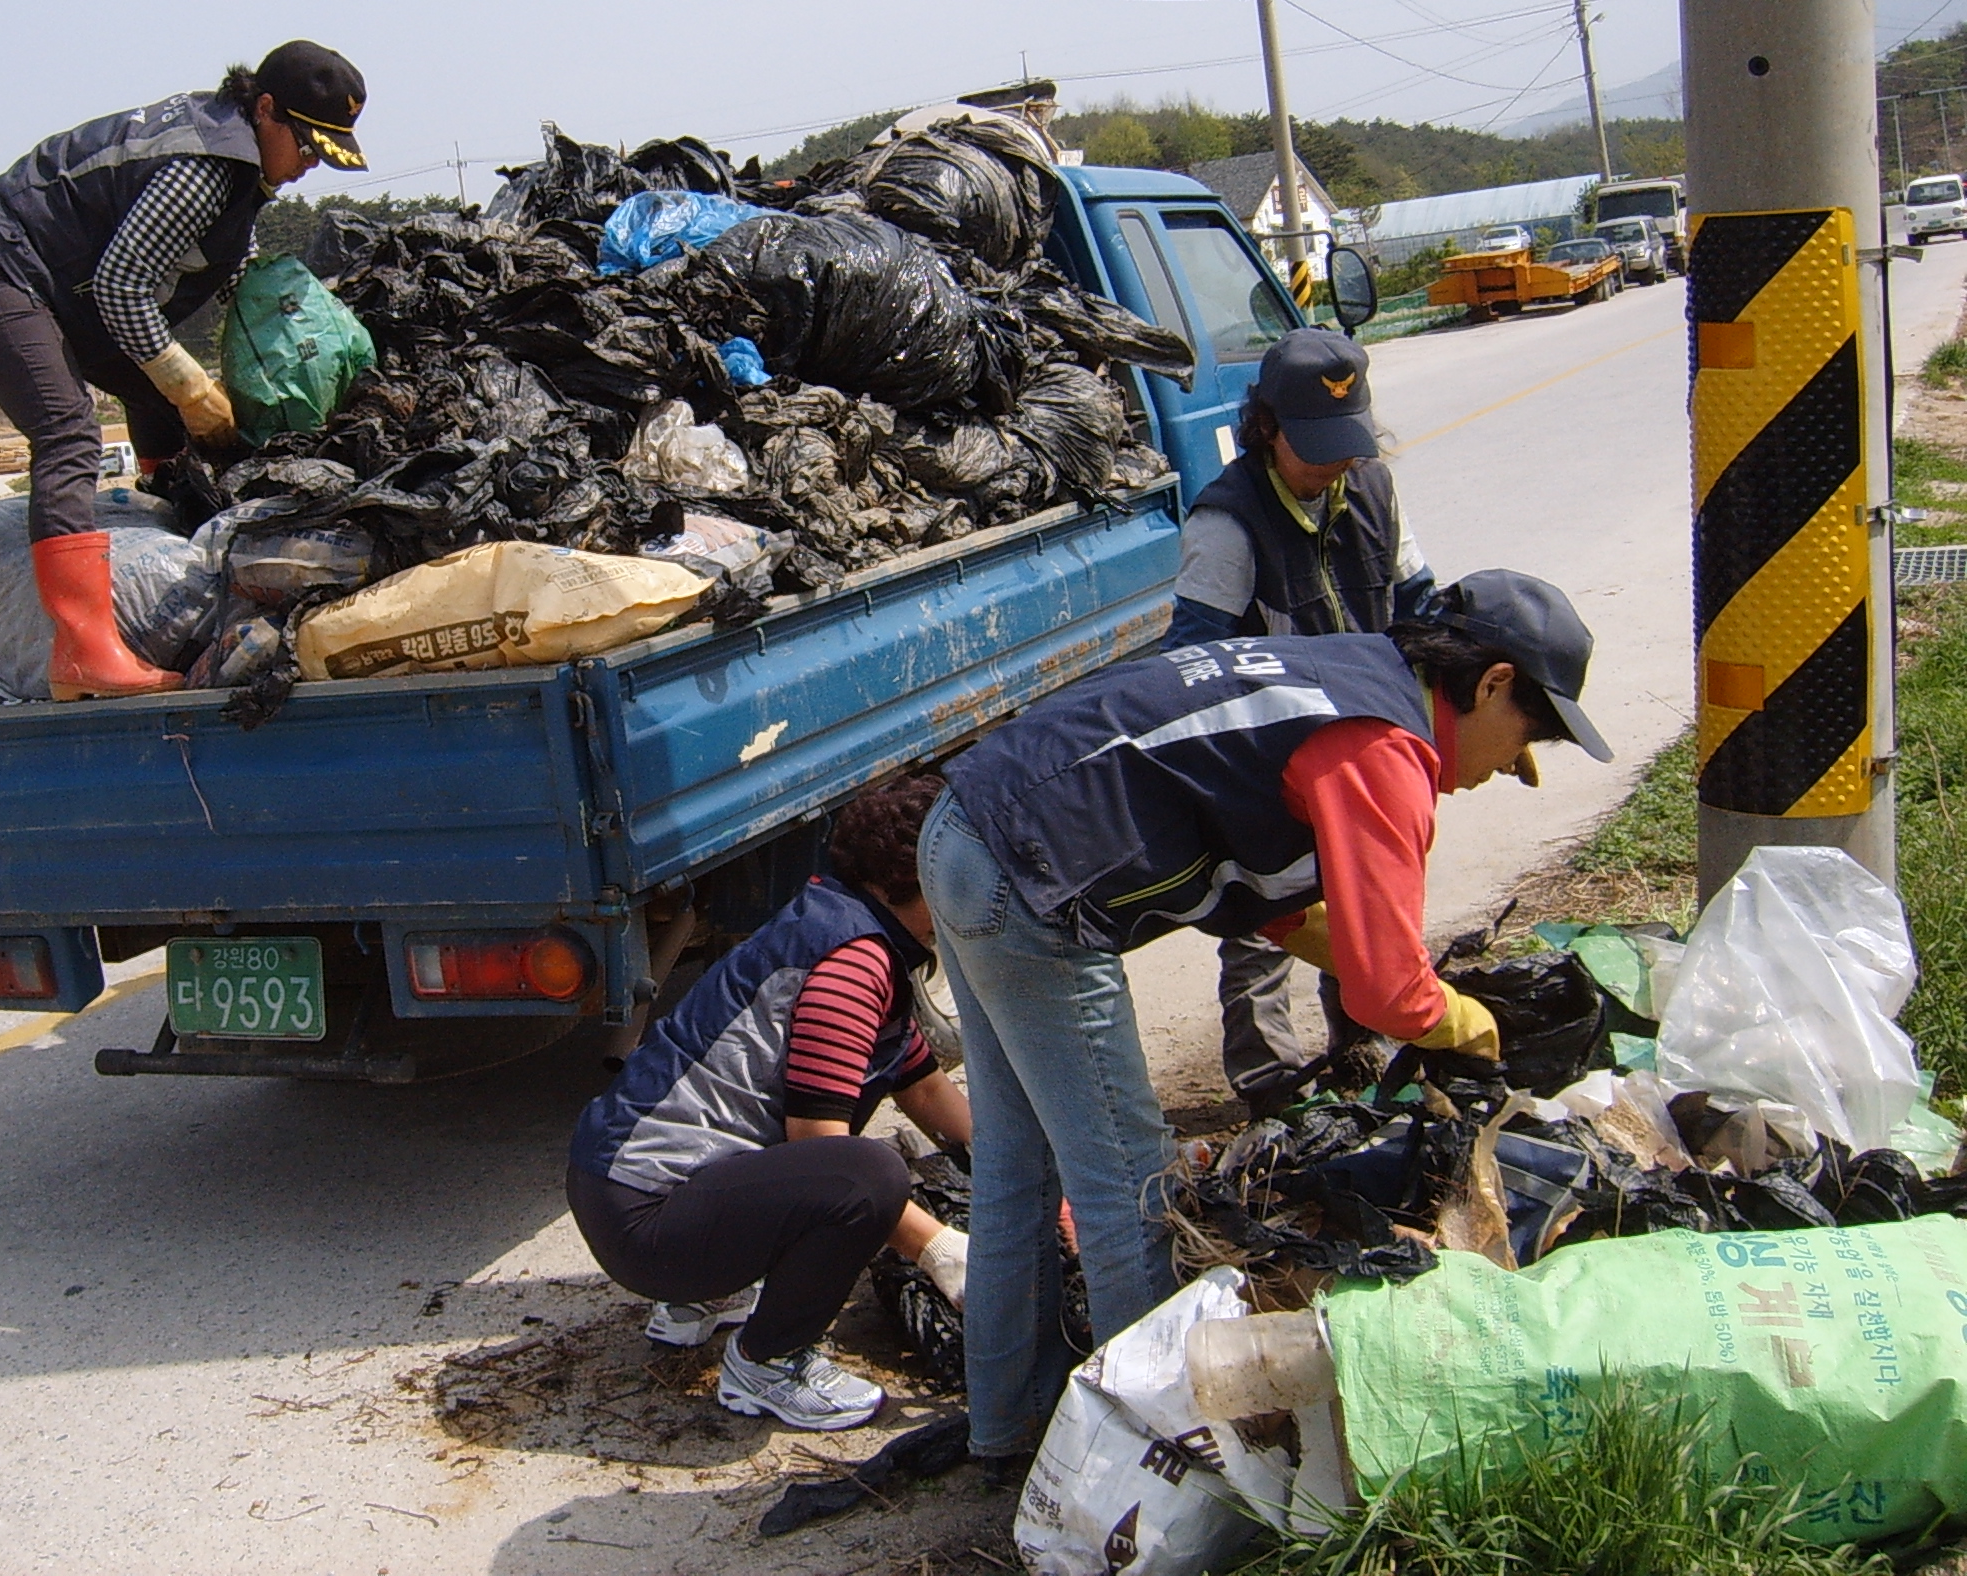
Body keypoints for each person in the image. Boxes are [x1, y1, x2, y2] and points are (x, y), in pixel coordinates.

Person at [916, 570, 1612, 1470]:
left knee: (1021, 1162)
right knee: (1131, 1185)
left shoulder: (1346, 678)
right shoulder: (1382, 745)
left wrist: (1398, 973)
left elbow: (1287, 912)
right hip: (1029, 884)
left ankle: (1007, 1433)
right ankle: (1146, 1466)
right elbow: (1387, 997)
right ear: (1492, 684)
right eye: (1529, 734)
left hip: (964, 830)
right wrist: (1470, 1023)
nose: (1512, 768)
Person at [0, 41, 368, 699]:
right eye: (306, 145)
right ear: (266, 109)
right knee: (68, 431)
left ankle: (172, 521)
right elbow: (122, 289)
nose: (309, 165)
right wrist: (192, 387)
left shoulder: (242, 168)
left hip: (68, 287)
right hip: (2, 266)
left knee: (163, 407)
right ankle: (83, 651)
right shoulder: (204, 166)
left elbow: (236, 275)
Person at [568, 771, 973, 1432]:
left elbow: (924, 1085)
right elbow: (820, 1147)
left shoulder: (840, 921)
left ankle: (698, 1301)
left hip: (616, 1187)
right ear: (914, 877)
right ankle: (768, 1364)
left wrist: (1036, 1183)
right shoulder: (855, 962)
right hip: (649, 1222)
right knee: (868, 1175)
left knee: (845, 1172)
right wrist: (941, 1251)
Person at [1169, 327, 1438, 1118]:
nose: (1332, 464)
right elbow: (1194, 663)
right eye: (1314, 445)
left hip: (1365, 754)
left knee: (1371, 913)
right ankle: (1273, 1092)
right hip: (1271, 767)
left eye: (1345, 442)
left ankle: (1362, 1059)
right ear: (1266, 429)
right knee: (1266, 925)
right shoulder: (1228, 522)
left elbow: (1420, 607)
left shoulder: (1375, 492)